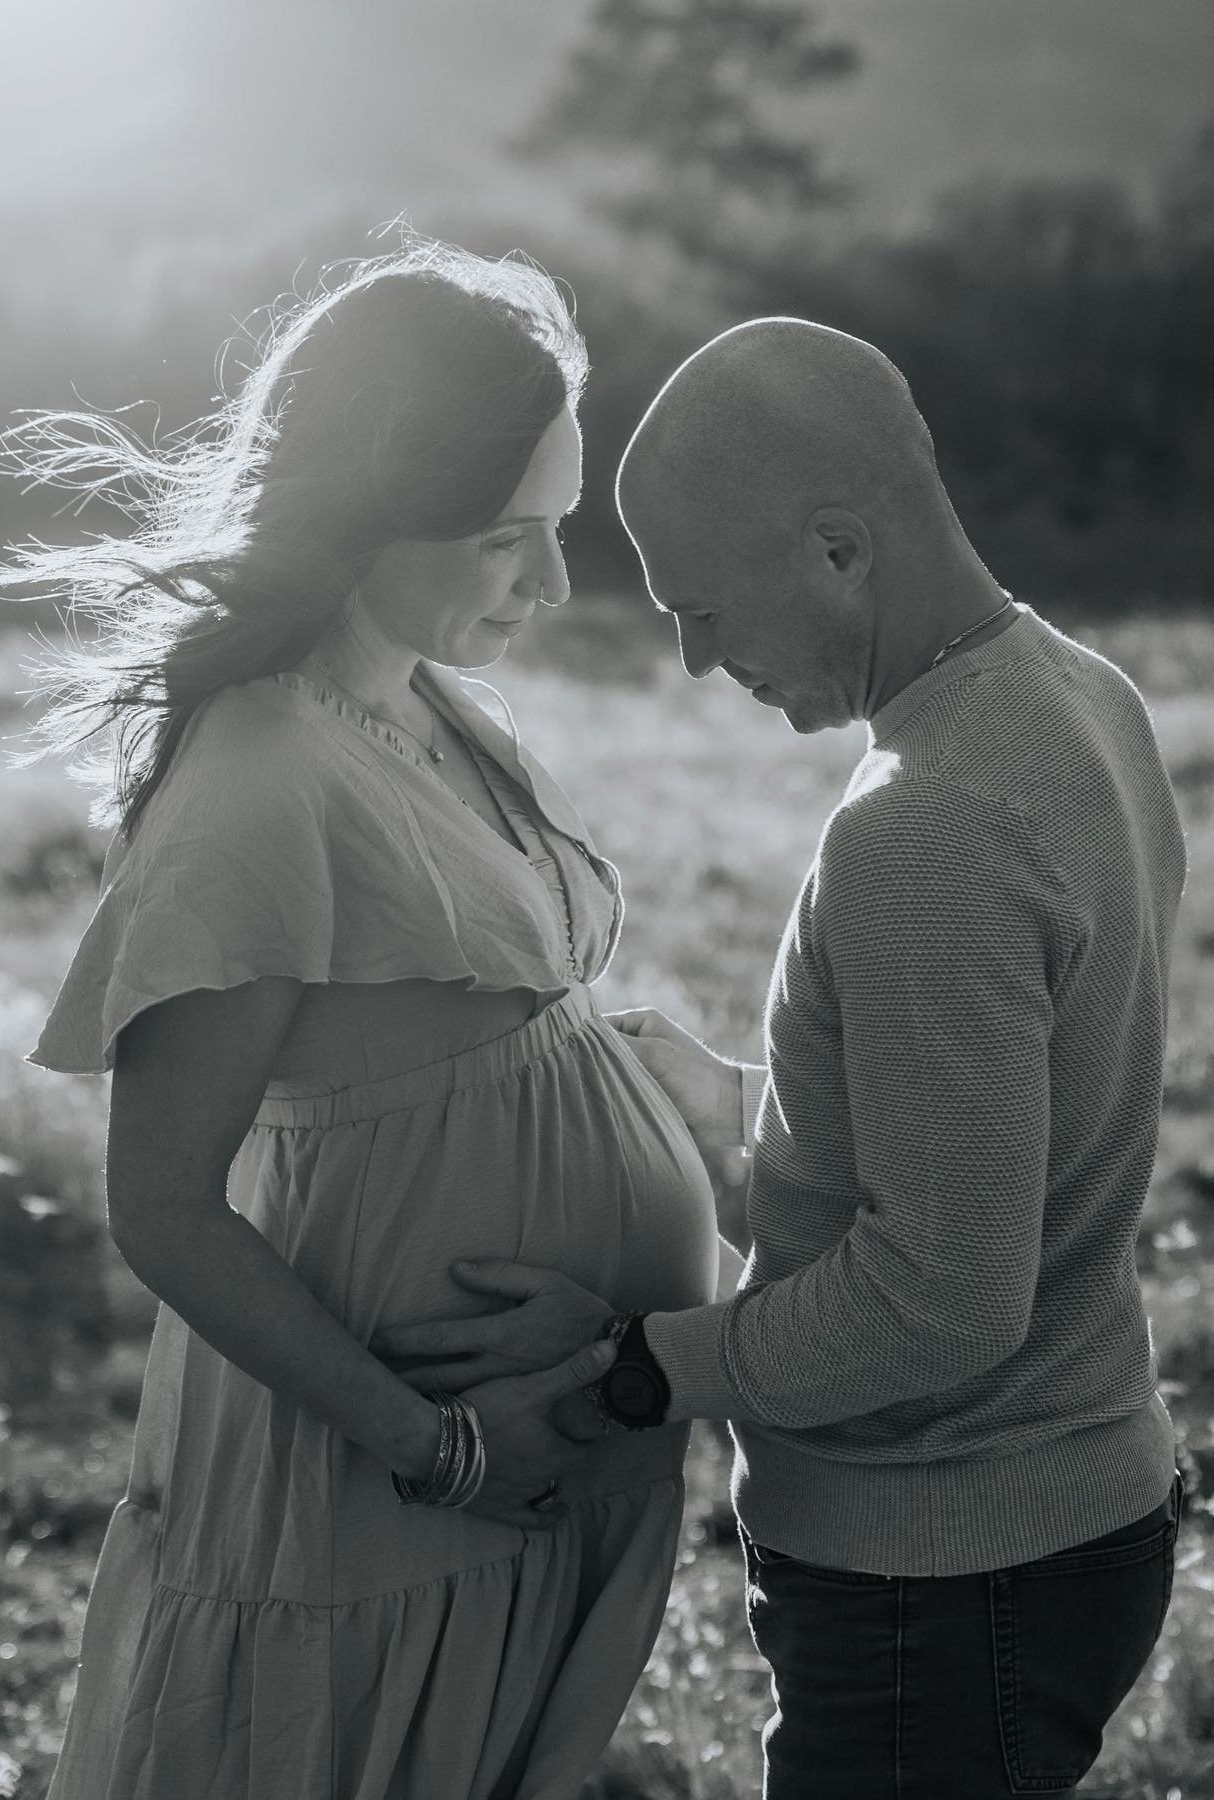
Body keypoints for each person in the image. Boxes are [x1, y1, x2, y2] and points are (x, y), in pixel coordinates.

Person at [377, 318, 1188, 1799]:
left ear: (835, 548)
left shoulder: (923, 829)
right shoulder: (1083, 694)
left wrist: (635, 1370)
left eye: (701, 610)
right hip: (1051, 1537)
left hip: (947, 1580)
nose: (692, 662)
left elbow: (942, 1303)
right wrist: (744, 1116)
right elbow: (1011, 1121)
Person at [0, 238, 727, 1800]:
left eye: (560, 527)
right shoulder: (259, 781)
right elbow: (166, 1204)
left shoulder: (436, 702)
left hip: (518, 1465)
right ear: (381, 500)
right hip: (383, 1494)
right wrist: (437, 1444)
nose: (554, 584)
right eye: (506, 537)